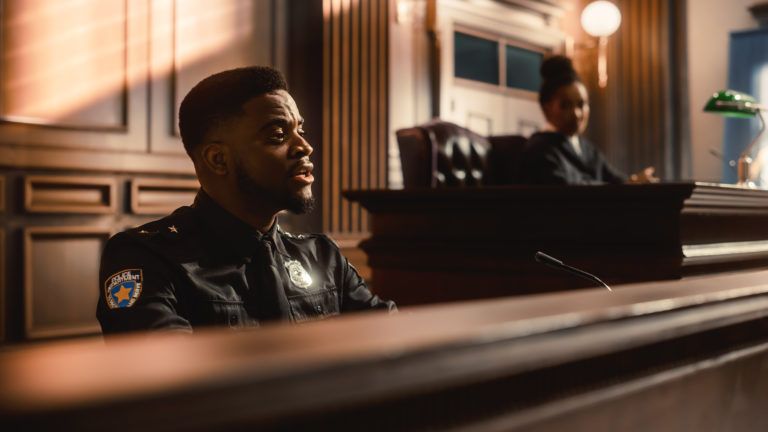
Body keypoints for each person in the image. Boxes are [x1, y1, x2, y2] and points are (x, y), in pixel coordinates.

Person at [97, 66, 395, 334]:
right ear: (218, 159)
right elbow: (175, 381)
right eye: (278, 135)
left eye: (299, 130)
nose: (305, 147)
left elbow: (393, 338)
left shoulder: (322, 256)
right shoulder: (146, 258)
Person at [519, 55, 656, 185]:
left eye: (581, 104)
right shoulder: (539, 149)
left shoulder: (587, 148)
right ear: (546, 108)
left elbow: (616, 180)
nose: (577, 114)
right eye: (565, 105)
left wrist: (635, 181)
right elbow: (569, 191)